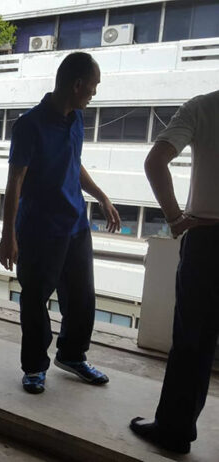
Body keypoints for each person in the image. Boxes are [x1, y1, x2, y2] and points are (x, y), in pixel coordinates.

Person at [0, 52, 121, 394]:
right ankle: (35, 367)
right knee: (36, 300)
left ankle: (72, 355)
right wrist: (8, 236)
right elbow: (15, 182)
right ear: (77, 84)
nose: (94, 94)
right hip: (39, 229)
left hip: (76, 225)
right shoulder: (29, 125)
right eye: (93, 87)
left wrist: (101, 195)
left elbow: (73, 163)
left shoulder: (76, 119)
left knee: (82, 299)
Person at [129, 89, 219, 455]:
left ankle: (175, 429)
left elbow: (155, 162)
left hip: (208, 240)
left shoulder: (203, 107)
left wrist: (174, 219)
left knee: (193, 343)